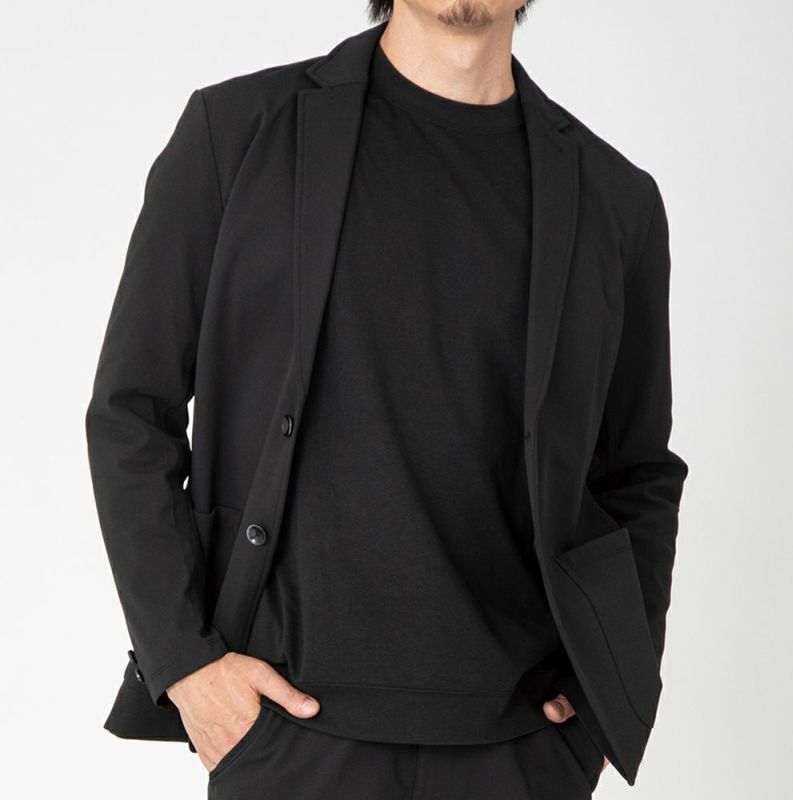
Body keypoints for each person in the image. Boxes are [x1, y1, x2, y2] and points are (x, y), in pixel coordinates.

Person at [85, 3, 688, 798]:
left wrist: (609, 693)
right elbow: (133, 409)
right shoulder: (237, 134)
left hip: (521, 750)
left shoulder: (615, 200)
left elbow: (639, 471)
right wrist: (185, 663)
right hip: (290, 738)